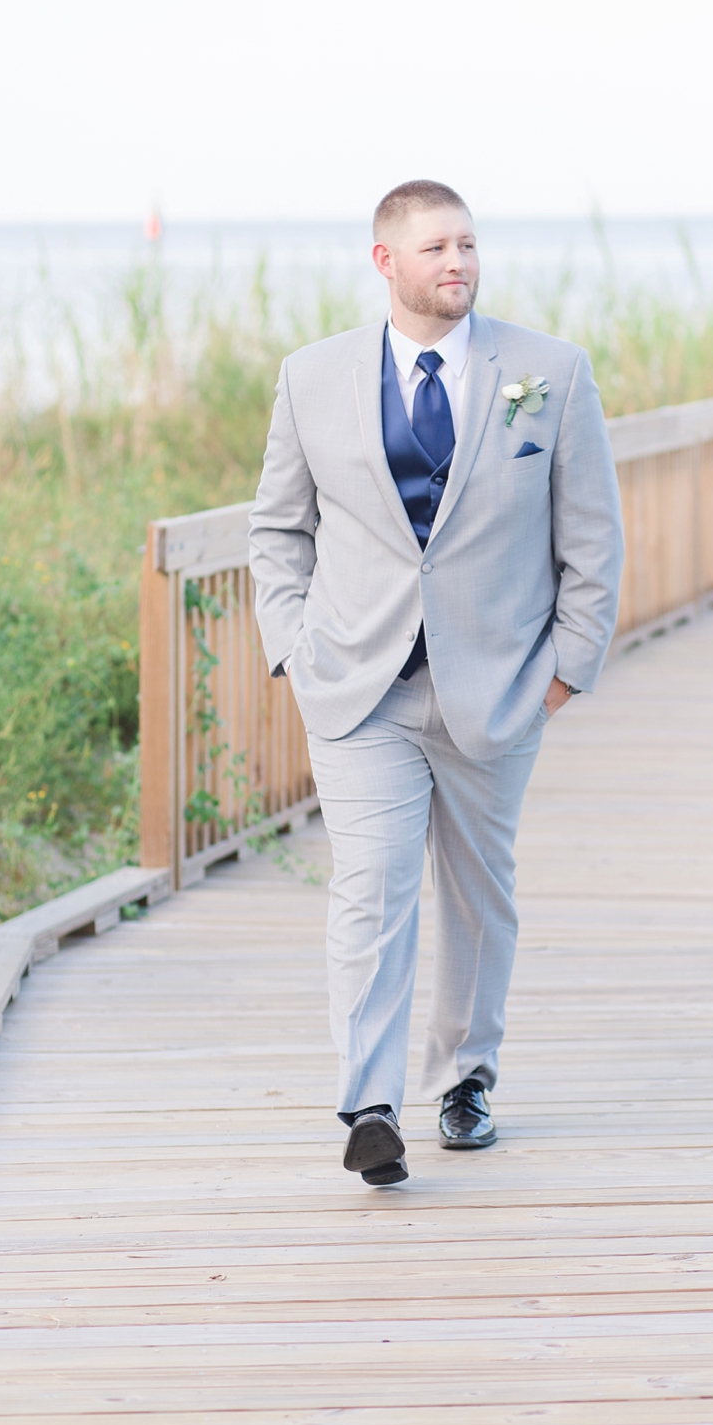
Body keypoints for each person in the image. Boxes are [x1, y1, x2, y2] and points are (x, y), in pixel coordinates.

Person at [249, 180, 624, 1185]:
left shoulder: (546, 372)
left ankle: (465, 1079)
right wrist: (291, 644)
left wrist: (564, 672)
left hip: (498, 690)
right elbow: (278, 531)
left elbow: (591, 535)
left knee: (476, 897)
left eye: (466, 245)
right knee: (370, 890)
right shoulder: (312, 377)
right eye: (433, 249)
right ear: (385, 261)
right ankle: (369, 1105)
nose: (455, 263)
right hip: (358, 688)